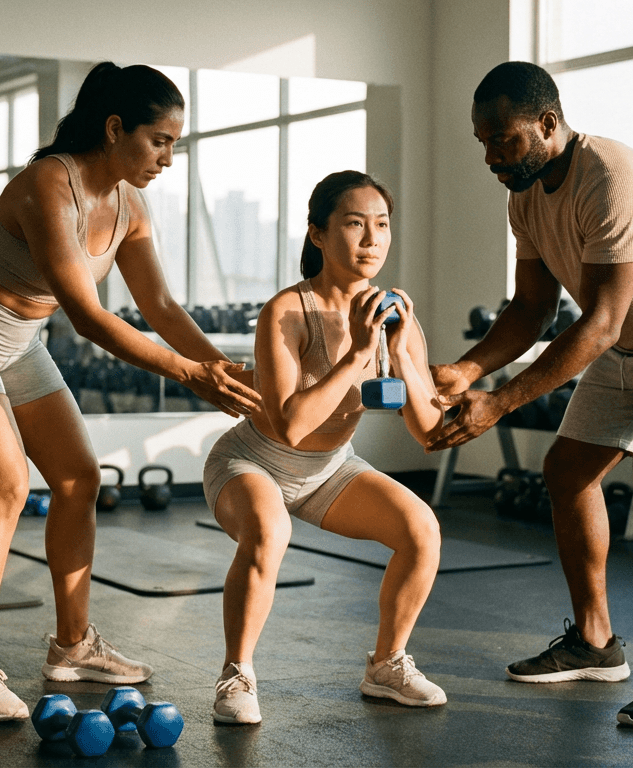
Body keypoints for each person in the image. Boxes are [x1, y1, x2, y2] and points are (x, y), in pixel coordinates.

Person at [0, 61, 260, 722]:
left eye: (175, 144)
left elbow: (160, 307)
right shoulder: (49, 184)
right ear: (115, 128)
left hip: (19, 343)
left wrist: (224, 371)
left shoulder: (130, 206)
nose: (168, 158)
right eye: (159, 141)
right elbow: (89, 318)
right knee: (6, 484)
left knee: (78, 478)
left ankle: (72, 646)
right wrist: (190, 375)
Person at [428, 62, 633, 729]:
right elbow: (531, 310)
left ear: (548, 123)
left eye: (504, 139)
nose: (492, 157)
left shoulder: (614, 176)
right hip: (627, 340)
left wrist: (499, 402)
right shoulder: (524, 197)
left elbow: (601, 320)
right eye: (483, 142)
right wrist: (467, 371)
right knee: (566, 471)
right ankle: (594, 642)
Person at [204, 171, 446, 725]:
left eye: (382, 225)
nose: (372, 240)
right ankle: (236, 673)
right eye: (355, 224)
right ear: (317, 233)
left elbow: (428, 430)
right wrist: (357, 352)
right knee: (269, 531)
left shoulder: (393, 314)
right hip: (252, 461)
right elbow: (290, 425)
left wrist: (400, 353)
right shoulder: (286, 312)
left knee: (421, 530)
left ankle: (387, 665)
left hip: (330, 469)